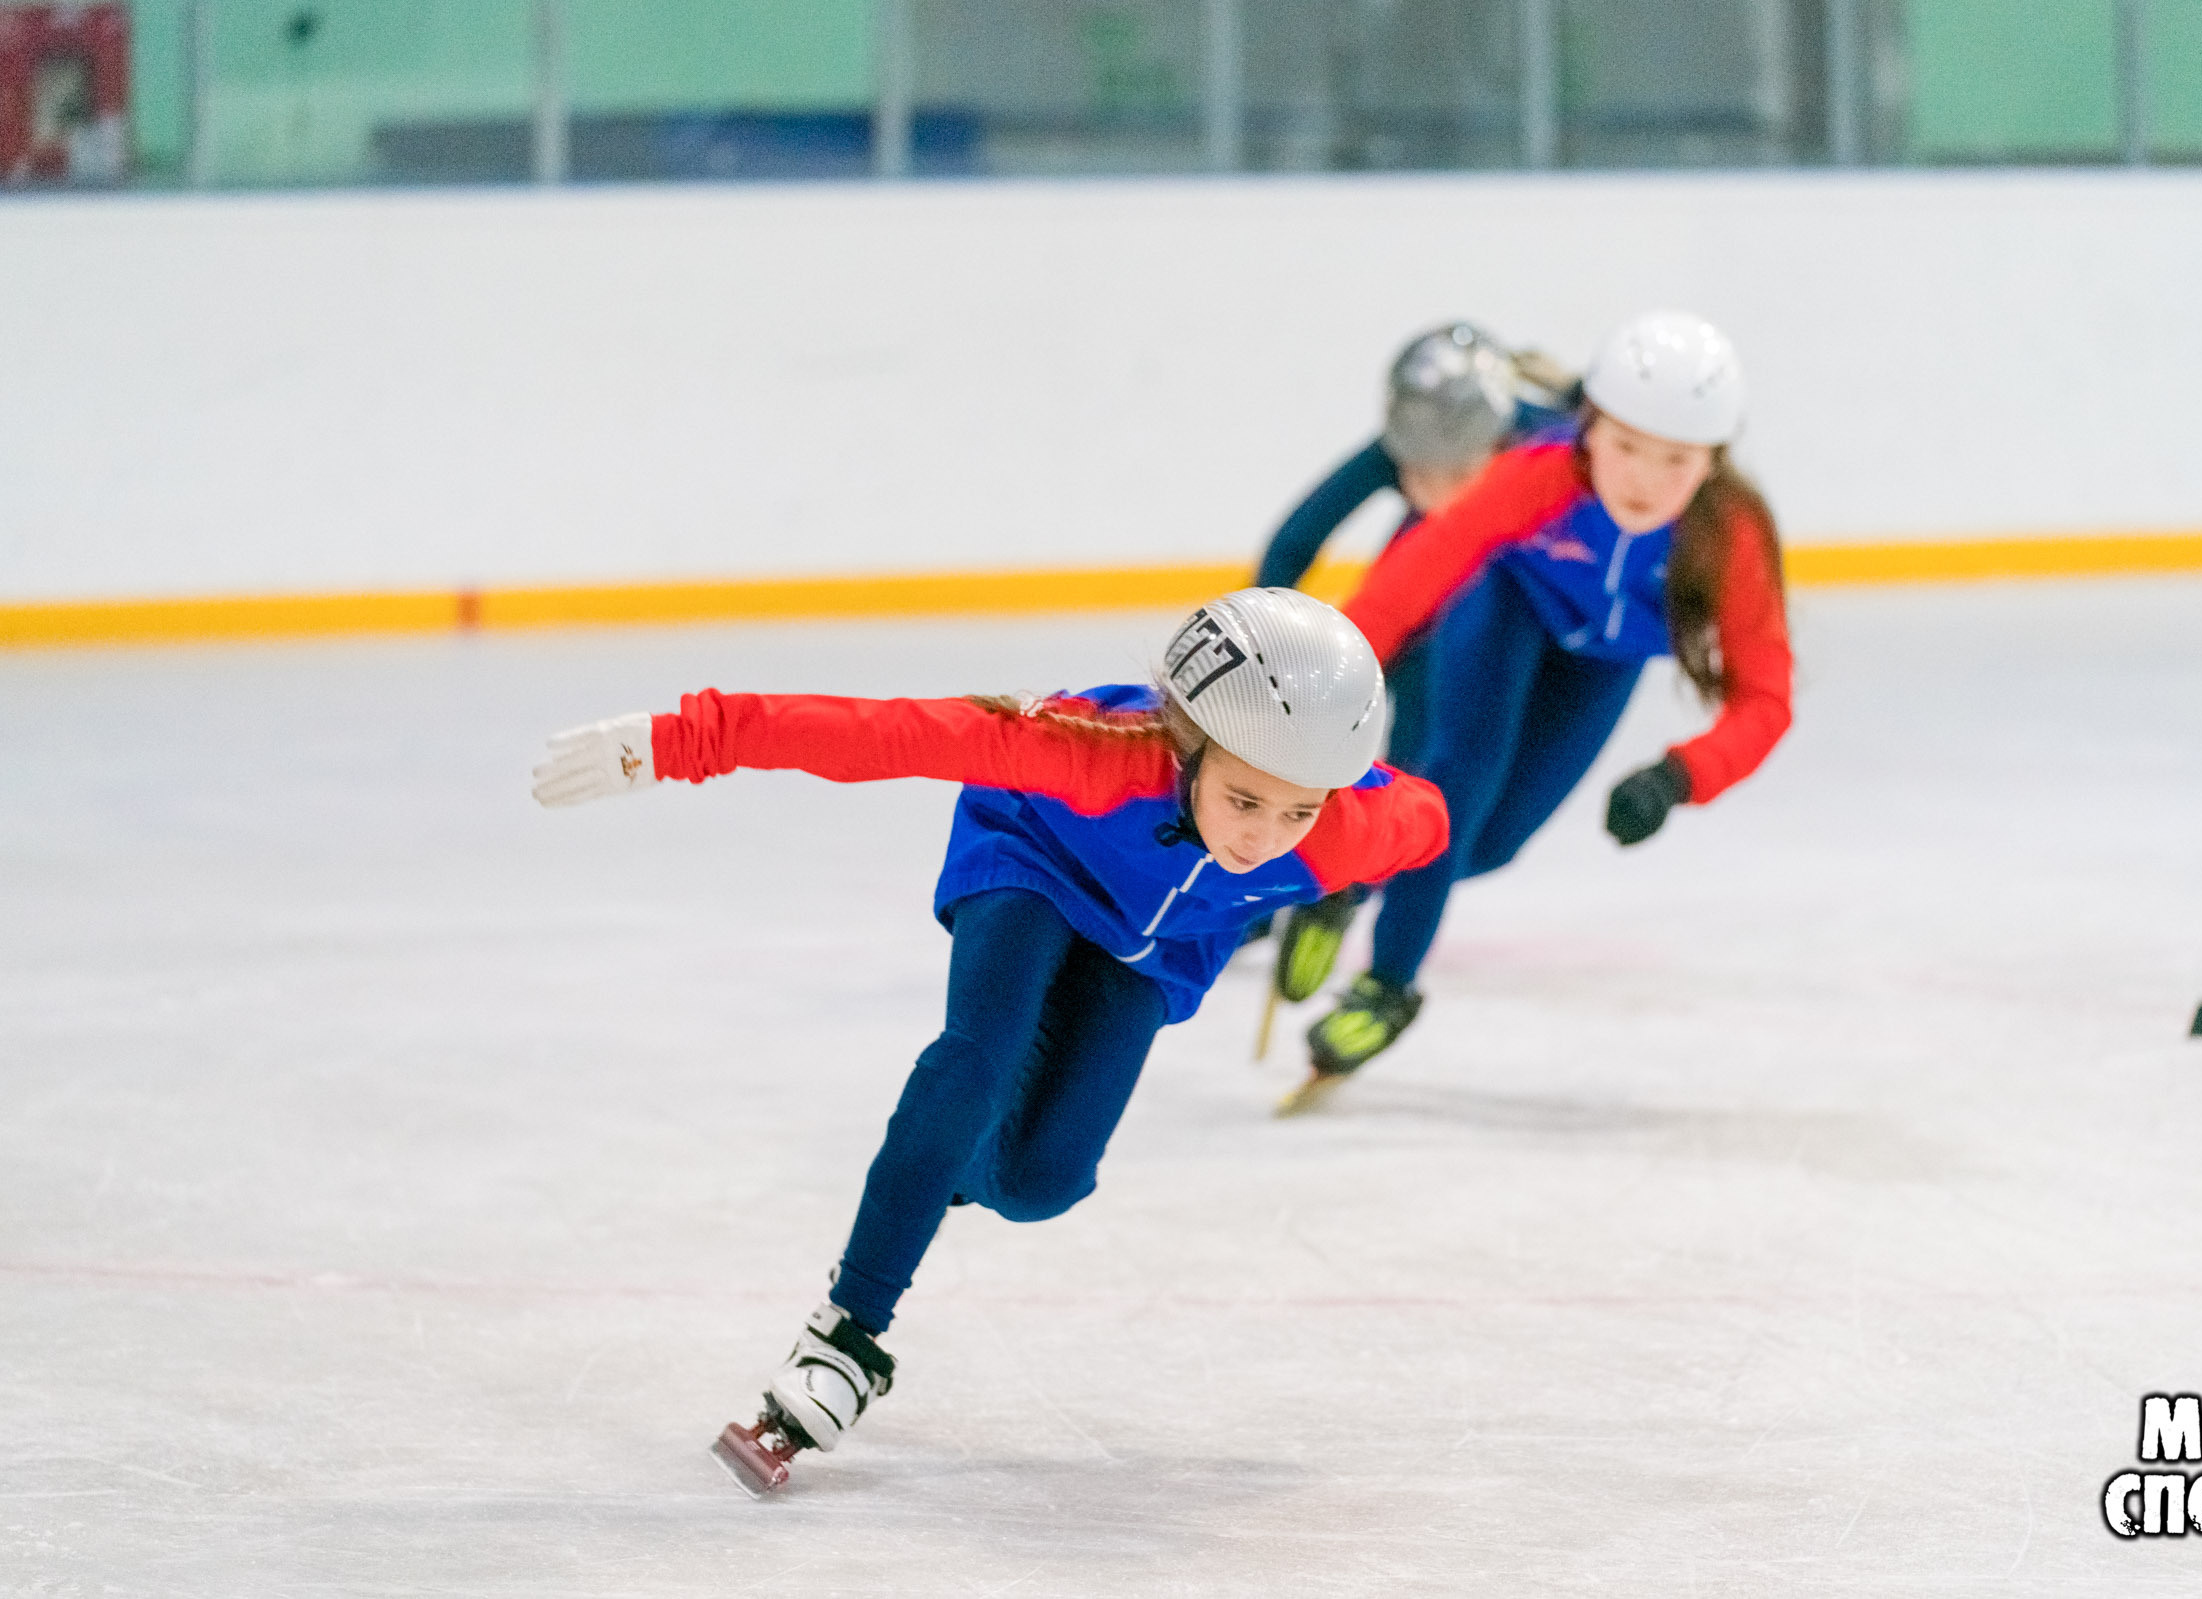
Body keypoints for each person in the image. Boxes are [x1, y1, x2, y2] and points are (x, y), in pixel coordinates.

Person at [529, 589, 1446, 1483]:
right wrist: (683, 740)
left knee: (1044, 1183)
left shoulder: (1346, 832)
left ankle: (947, 1164)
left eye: (1299, 811)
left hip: (1152, 945)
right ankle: (846, 1337)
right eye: (1244, 799)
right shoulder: (1090, 751)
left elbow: (1433, 825)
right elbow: (881, 734)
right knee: (976, 1063)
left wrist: (1337, 887)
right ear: (1187, 743)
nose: (1266, 838)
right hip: (1034, 861)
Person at [1293, 310, 1794, 1094]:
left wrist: (1679, 775)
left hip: (1603, 663)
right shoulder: (1542, 473)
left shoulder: (1728, 534)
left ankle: (1348, 881)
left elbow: (1765, 699)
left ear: (1713, 461)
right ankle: (1386, 986)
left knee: (1491, 847)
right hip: (1508, 609)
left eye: (1677, 461)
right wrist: (1319, 689)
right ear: (1589, 429)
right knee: (1457, 785)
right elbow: (1407, 585)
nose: (1643, 480)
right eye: (1625, 447)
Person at [1256, 323, 1580, 1008]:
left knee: (1476, 840)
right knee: (1413, 787)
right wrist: (1269, 650)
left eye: (1453, 471)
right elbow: (1294, 541)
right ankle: (1316, 884)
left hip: (1514, 625)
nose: (1427, 485)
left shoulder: (1550, 448)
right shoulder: (1411, 439)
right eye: (1412, 469)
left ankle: (1348, 881)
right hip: (1417, 611)